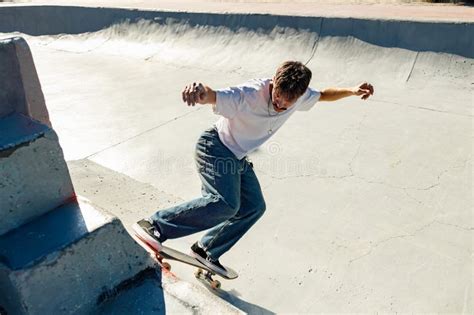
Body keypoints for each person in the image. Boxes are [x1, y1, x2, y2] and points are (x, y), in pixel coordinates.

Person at [133, 61, 374, 276]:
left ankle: (206, 248)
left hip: (237, 158)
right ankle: (154, 225)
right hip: (215, 147)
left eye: (286, 104)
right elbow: (215, 95)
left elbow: (322, 95)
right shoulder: (249, 94)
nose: (280, 105)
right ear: (274, 82)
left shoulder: (298, 96)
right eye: (277, 98)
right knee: (225, 203)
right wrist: (199, 92)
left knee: (254, 207)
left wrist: (352, 91)